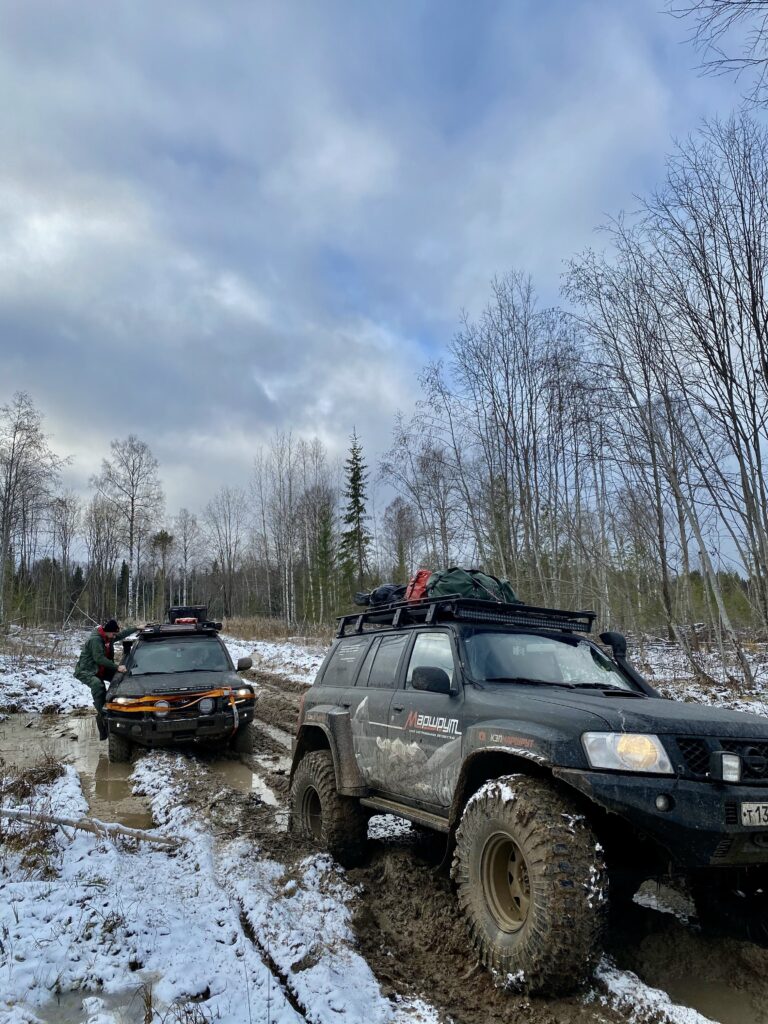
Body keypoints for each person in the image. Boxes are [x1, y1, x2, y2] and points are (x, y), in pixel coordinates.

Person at [74, 618, 138, 740]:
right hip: (87, 670)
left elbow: (121, 635)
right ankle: (103, 714)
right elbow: (99, 658)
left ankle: (120, 704)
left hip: (101, 669)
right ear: (108, 631)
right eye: (113, 634)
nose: (114, 636)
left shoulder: (109, 637)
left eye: (115, 634)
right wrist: (117, 667)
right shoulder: (96, 640)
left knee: (120, 678)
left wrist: (136, 628)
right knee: (98, 685)